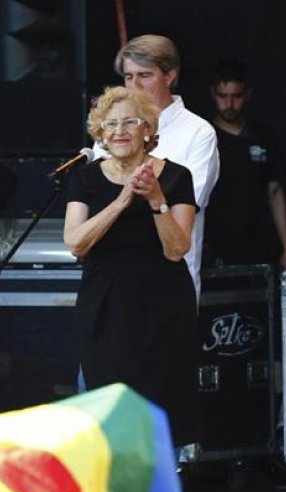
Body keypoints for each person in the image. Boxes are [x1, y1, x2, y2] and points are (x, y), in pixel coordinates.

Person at [65, 86, 197, 492]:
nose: (119, 132)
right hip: (105, 313)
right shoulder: (83, 178)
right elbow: (76, 243)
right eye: (110, 125)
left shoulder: (177, 176)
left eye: (130, 123)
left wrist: (158, 201)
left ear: (149, 130)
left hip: (161, 314)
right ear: (100, 132)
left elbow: (176, 249)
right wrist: (123, 200)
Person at [95, 34, 219, 300]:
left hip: (169, 279)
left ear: (170, 76)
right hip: (110, 277)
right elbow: (94, 195)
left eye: (145, 75)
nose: (135, 86)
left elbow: (186, 204)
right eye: (128, 77)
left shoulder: (198, 132)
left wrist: (131, 197)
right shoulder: (111, 129)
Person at [204, 58, 286, 270]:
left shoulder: (263, 136)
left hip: (259, 248)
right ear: (212, 94)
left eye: (236, 96)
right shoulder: (203, 136)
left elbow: (275, 191)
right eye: (223, 96)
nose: (229, 104)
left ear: (248, 94)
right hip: (214, 249)